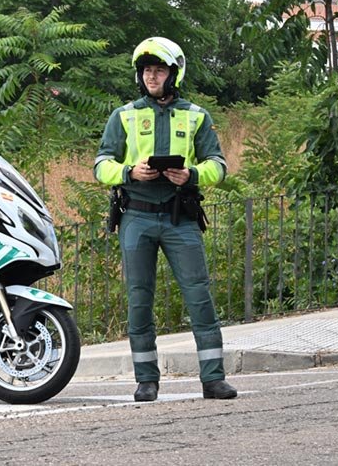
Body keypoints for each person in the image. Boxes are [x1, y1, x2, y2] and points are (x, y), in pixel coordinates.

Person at [93, 36, 237, 402]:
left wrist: (191, 175)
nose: (151, 76)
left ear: (174, 74)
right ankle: (146, 380)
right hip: (136, 217)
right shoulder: (123, 115)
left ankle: (213, 379)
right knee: (139, 299)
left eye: (159, 70)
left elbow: (218, 166)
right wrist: (129, 172)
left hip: (180, 217)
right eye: (146, 70)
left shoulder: (197, 115)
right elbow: (101, 164)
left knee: (199, 295)